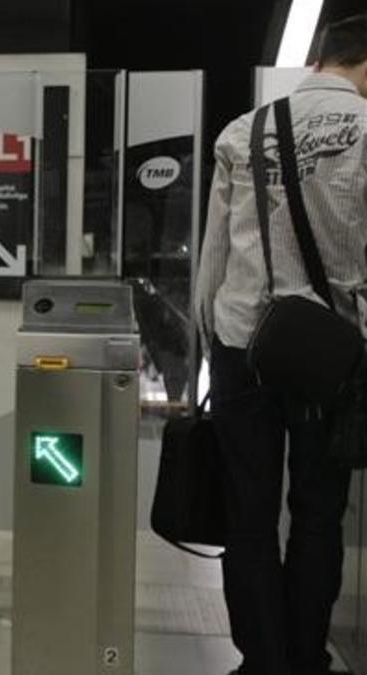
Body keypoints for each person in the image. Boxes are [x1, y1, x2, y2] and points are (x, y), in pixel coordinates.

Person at [194, 13, 367, 675]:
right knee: (319, 513)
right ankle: (303, 658)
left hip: (244, 346)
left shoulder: (245, 131)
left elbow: (213, 263)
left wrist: (210, 348)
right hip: (331, 357)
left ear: (321, 57)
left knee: (250, 511)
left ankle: (261, 660)